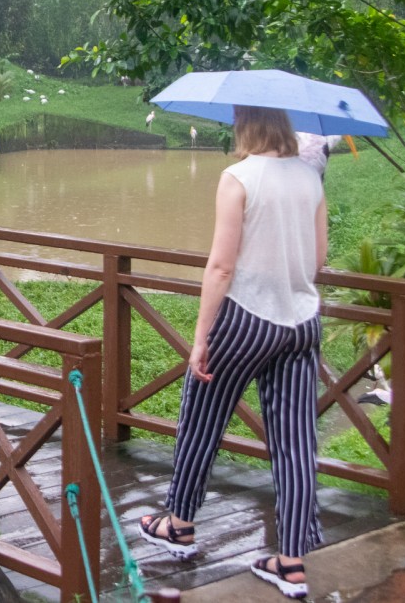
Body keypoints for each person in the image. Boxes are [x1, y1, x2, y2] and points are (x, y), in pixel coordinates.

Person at [137, 105, 328, 600]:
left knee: (202, 416)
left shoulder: (238, 177)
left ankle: (178, 523)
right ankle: (291, 560)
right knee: (295, 442)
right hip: (302, 323)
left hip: (246, 316)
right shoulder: (310, 178)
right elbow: (319, 257)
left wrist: (201, 338)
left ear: (246, 124)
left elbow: (221, 266)